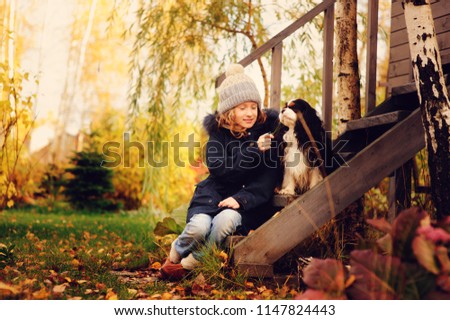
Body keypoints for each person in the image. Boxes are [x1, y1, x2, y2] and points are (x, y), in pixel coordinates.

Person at [160, 64, 282, 280]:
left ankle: (194, 261)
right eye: (242, 108)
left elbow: (268, 177)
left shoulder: (267, 136)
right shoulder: (218, 136)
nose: (249, 113)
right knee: (199, 227)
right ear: (229, 111)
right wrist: (253, 149)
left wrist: (242, 199)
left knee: (224, 221)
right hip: (211, 197)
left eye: (253, 107)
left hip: (246, 204)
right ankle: (178, 249)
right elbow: (220, 170)